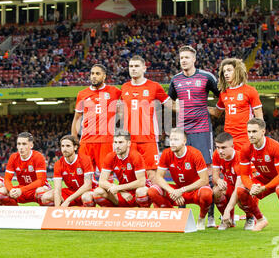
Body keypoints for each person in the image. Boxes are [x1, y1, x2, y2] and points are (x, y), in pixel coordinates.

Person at [168, 45, 220, 227]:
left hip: (202, 128)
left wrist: (213, 111)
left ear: (194, 60)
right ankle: (182, 213)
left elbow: (222, 97)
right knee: (181, 168)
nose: (183, 60)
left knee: (207, 171)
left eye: (187, 57)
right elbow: (169, 102)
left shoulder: (206, 77)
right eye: (181, 57)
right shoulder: (175, 80)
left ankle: (211, 216)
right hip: (182, 130)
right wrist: (181, 109)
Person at [237, 118, 279, 232]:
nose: (250, 135)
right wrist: (252, 187)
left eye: (254, 131)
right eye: (249, 132)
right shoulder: (245, 149)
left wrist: (264, 188)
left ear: (263, 131)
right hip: (265, 177)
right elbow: (244, 176)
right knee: (241, 191)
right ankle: (260, 219)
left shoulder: (274, 146)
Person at [148, 128, 213, 230]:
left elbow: (204, 180)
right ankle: (174, 217)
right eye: (171, 139)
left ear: (184, 141)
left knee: (207, 193)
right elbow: (158, 177)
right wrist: (173, 191)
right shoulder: (166, 153)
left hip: (194, 191)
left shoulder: (195, 153)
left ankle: (201, 218)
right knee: (152, 191)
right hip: (177, 190)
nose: (172, 142)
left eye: (176, 140)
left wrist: (181, 190)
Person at [120, 55, 171, 183]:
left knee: (152, 174)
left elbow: (170, 104)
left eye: (136, 66)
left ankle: (157, 202)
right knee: (130, 174)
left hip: (148, 137)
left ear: (144, 68)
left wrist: (193, 108)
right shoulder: (124, 87)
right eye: (131, 66)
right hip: (129, 140)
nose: (133, 69)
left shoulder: (154, 86)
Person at [71, 64, 121, 172]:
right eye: (92, 73)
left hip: (106, 141)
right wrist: (74, 139)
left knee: (106, 176)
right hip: (86, 141)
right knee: (84, 176)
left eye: (97, 74)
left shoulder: (115, 92)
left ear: (104, 76)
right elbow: (76, 118)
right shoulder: (82, 94)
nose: (94, 76)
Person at [211, 58, 263, 151]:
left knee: (245, 165)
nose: (226, 73)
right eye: (224, 71)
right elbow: (216, 113)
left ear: (237, 71)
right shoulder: (224, 93)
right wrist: (199, 106)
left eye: (229, 70)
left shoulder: (250, 91)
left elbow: (259, 118)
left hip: (245, 138)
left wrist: (259, 137)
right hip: (228, 140)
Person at [92, 129, 150, 208]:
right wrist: (121, 191)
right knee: (97, 192)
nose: (117, 146)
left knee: (141, 191)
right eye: (115, 142)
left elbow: (141, 182)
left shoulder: (136, 156)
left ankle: (143, 215)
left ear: (129, 143)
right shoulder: (110, 156)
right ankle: (112, 215)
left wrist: (119, 188)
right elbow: (102, 182)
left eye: (120, 142)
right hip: (122, 192)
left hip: (138, 193)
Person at [0, 132, 50, 206]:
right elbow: (7, 179)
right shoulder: (13, 157)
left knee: (41, 192)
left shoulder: (38, 157)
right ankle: (16, 214)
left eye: (24, 144)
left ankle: (44, 216)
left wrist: (21, 190)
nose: (21, 147)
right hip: (22, 188)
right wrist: (11, 190)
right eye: (19, 144)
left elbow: (41, 181)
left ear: (31, 145)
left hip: (36, 188)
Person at [211, 132, 255, 230]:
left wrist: (227, 209)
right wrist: (218, 180)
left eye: (223, 148)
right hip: (230, 186)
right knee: (216, 191)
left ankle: (250, 217)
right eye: (217, 147)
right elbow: (215, 175)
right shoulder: (216, 155)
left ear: (232, 146)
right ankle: (228, 220)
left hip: (246, 190)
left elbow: (238, 186)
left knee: (240, 194)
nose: (220, 151)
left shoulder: (240, 158)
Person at [39, 135, 97, 207]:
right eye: (62, 146)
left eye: (68, 146)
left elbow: (88, 186)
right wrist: (58, 208)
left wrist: (68, 200)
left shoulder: (85, 160)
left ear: (75, 147)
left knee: (86, 197)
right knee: (46, 197)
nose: (64, 149)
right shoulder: (58, 164)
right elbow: (57, 189)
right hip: (70, 191)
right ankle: (60, 217)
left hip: (87, 191)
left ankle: (87, 217)